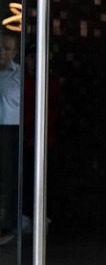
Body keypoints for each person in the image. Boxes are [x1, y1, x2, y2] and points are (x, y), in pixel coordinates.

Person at [22, 41, 63, 232]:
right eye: (31, 58)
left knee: (44, 178)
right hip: (25, 140)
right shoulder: (22, 82)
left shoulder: (51, 83)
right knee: (25, 177)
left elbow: (51, 112)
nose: (34, 62)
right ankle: (25, 215)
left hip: (45, 140)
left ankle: (41, 214)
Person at [0, 31, 21, 244]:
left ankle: (7, 225)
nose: (2, 53)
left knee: (8, 177)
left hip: (10, 129)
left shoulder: (19, 75)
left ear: (14, 52)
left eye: (7, 48)